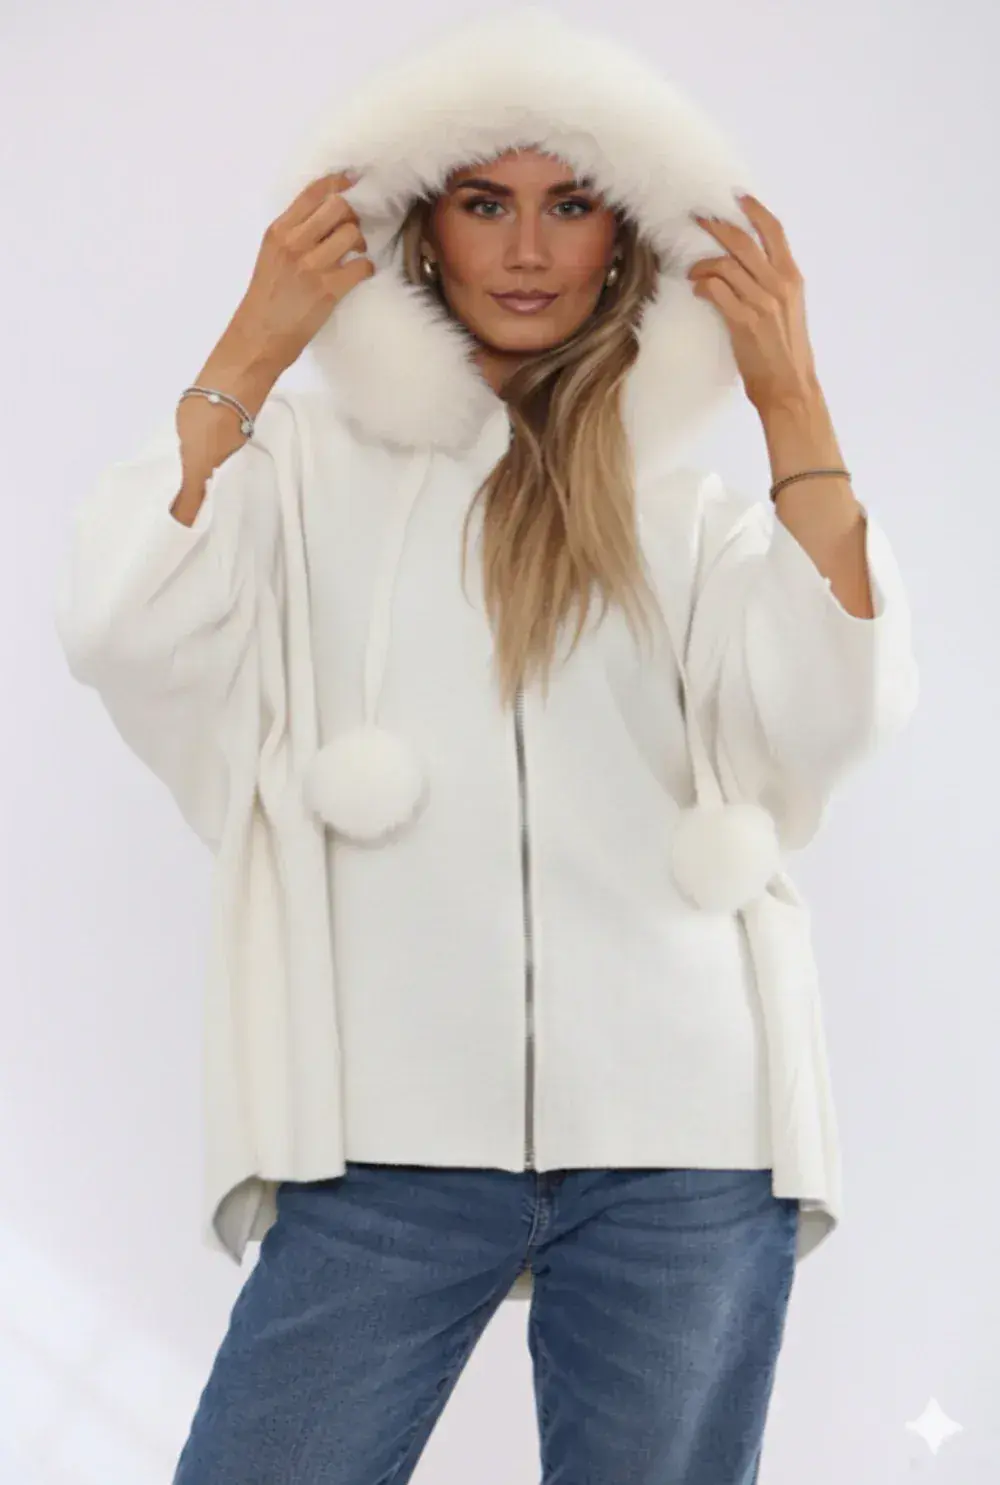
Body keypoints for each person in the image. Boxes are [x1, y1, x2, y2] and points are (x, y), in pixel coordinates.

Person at [53, 9, 919, 1483]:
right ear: (421, 228)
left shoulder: (690, 516)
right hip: (382, 1142)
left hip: (687, 1138)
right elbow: (121, 624)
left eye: (570, 204)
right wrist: (258, 342)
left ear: (622, 238)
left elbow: (836, 712)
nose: (526, 251)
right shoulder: (308, 475)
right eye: (483, 201)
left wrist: (790, 396)